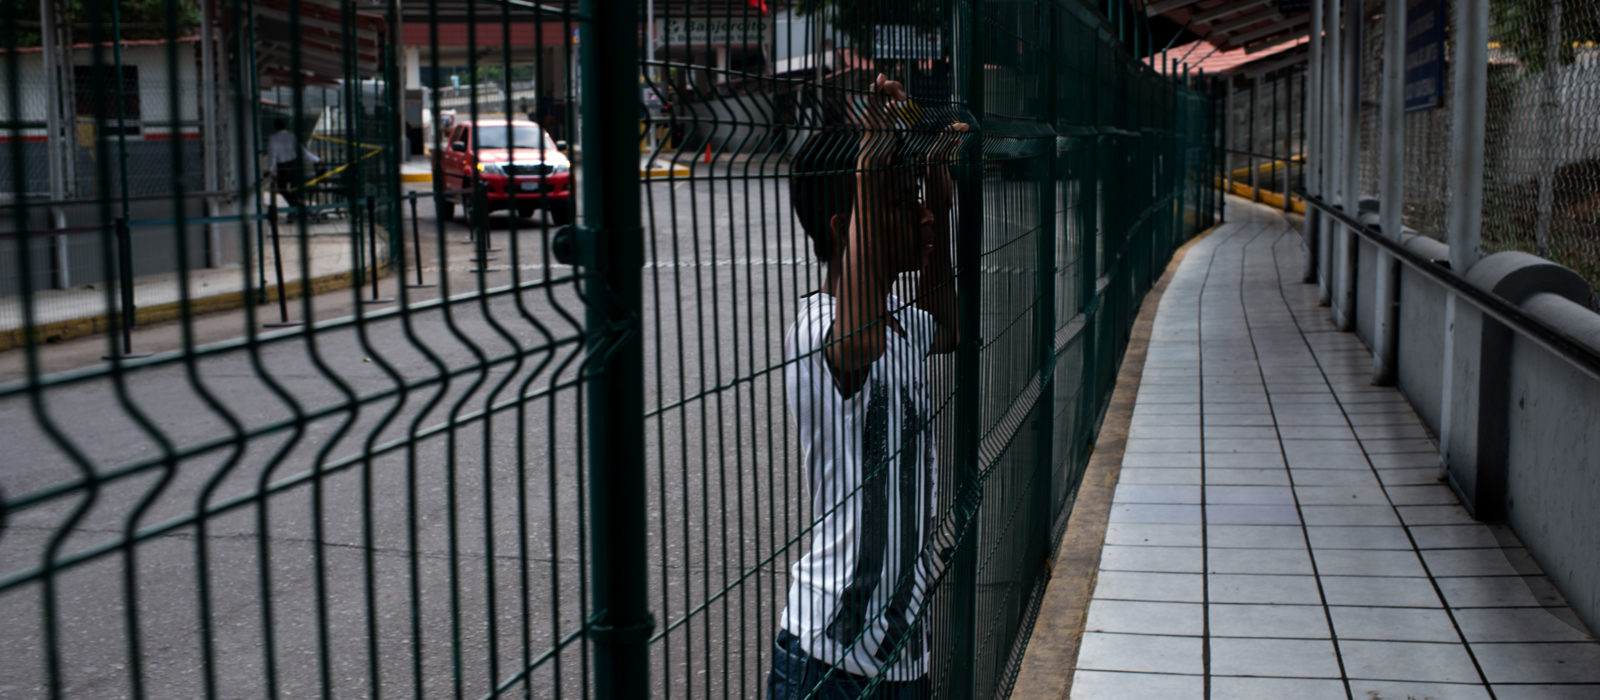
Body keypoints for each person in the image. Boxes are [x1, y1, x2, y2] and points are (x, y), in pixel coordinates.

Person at [771, 74, 966, 700]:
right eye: (900, 201)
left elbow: (949, 324)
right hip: (828, 663)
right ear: (847, 226)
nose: (923, 214)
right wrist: (870, 160)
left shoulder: (902, 326)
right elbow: (857, 345)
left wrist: (934, 180)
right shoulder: (819, 330)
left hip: (902, 659)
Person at [266, 117, 321, 215]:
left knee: (282, 189)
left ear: (275, 126)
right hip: (294, 165)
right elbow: (303, 151)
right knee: (294, 189)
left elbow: (272, 155)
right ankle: (296, 208)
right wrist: (317, 160)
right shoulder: (291, 136)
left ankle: (295, 208)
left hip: (283, 167)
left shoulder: (272, 138)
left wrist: (270, 169)